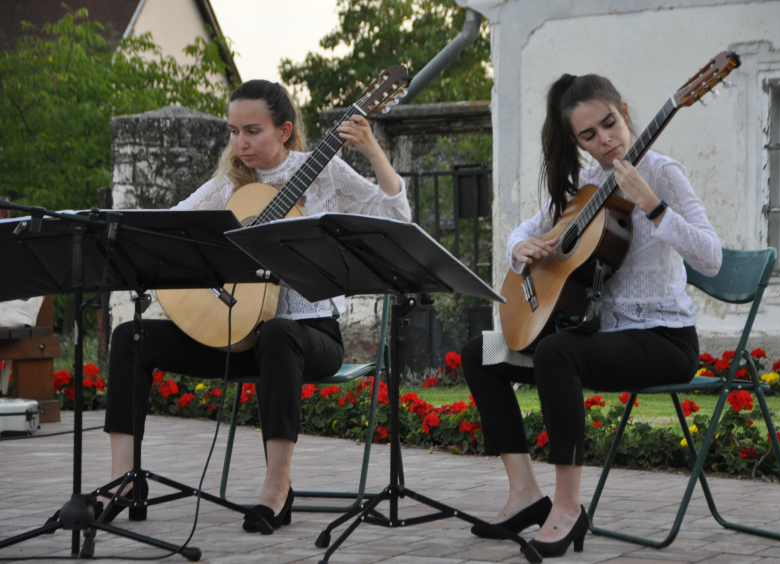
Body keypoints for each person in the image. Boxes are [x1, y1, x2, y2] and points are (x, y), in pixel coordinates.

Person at [102, 79, 411, 532]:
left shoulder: (322, 171)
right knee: (132, 337)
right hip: (237, 332)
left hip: (310, 336)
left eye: (252, 131)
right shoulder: (230, 184)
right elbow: (170, 226)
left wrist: (373, 151)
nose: (240, 143)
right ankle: (124, 480)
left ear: (284, 130)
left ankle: (277, 487)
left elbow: (396, 216)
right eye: (232, 131)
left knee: (277, 333)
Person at [461, 73, 722, 557]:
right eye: (589, 135)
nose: (605, 140)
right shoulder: (585, 185)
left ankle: (567, 507)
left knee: (558, 353)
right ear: (576, 141)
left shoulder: (663, 172)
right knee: (481, 353)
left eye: (610, 124)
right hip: (602, 338)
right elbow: (523, 230)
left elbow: (711, 256)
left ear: (624, 111)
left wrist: (652, 205)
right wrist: (523, 246)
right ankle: (524, 493)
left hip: (664, 341)